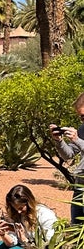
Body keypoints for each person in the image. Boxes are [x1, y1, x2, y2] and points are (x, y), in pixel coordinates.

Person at [50, 92, 84, 224]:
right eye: (81, 117)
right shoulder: (83, 129)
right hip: (80, 187)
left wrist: (77, 140)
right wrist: (59, 141)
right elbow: (68, 155)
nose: (82, 120)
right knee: (76, 228)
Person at [0, 185, 57, 249]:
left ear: (29, 203)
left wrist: (24, 239)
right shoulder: (17, 215)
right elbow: (12, 242)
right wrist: (3, 234)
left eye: (21, 208)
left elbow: (48, 244)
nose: (18, 212)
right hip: (23, 244)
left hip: (35, 246)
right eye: (15, 208)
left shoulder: (45, 215)